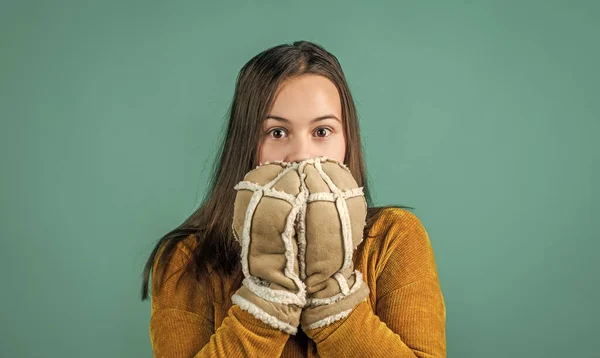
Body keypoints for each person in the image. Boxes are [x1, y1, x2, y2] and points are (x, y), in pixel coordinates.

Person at [140, 40, 446, 357]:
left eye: (322, 131)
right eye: (277, 132)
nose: (301, 155)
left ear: (347, 140)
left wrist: (332, 299)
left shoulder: (395, 237)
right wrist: (269, 297)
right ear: (247, 143)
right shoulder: (185, 258)